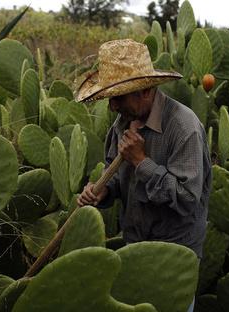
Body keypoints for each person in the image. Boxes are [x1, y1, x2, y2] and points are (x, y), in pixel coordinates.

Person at [75, 39, 211, 311]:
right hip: (134, 245)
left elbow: (187, 199)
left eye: (118, 97)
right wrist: (103, 190)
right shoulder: (122, 123)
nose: (112, 106)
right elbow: (115, 170)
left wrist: (142, 161)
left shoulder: (184, 128)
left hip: (173, 256)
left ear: (145, 91)